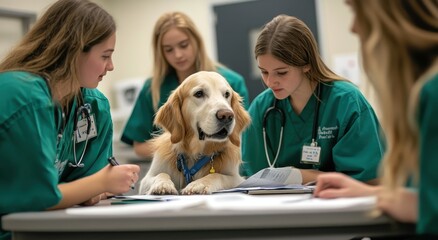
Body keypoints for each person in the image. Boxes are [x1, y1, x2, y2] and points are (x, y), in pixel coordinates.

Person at [0, 0, 140, 239]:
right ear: (74, 50)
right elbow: (37, 199)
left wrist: (94, 187)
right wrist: (101, 183)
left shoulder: (94, 106)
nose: (111, 66)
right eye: (105, 55)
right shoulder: (22, 96)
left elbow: (88, 189)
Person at [314, 0, 438, 236]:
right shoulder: (423, 92)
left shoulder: (433, 92)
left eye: (356, 12)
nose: (353, 27)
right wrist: (374, 194)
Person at [241, 14, 385, 185]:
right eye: (264, 72)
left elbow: (371, 179)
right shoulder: (261, 108)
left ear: (306, 64)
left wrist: (304, 176)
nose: (270, 82)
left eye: (281, 72)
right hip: (279, 209)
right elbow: (252, 178)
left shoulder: (347, 102)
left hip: (339, 208)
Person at [121, 11, 250, 160]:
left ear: (196, 41)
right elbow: (140, 146)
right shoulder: (152, 88)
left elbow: (241, 139)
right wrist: (182, 149)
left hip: (221, 169)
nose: (178, 55)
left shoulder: (232, 83)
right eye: (169, 49)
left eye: (184, 45)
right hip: (171, 169)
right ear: (160, 52)